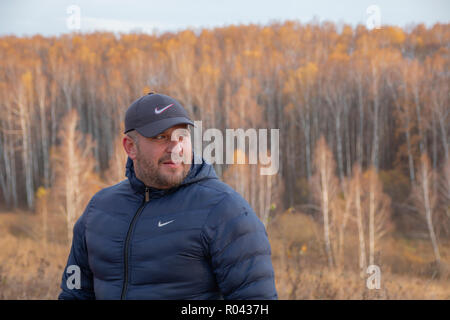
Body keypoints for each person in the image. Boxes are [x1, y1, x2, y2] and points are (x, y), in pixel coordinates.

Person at [58, 93, 278, 300]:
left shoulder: (226, 211)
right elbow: (74, 294)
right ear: (130, 147)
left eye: (182, 136)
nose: (176, 148)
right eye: (161, 137)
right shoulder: (99, 209)